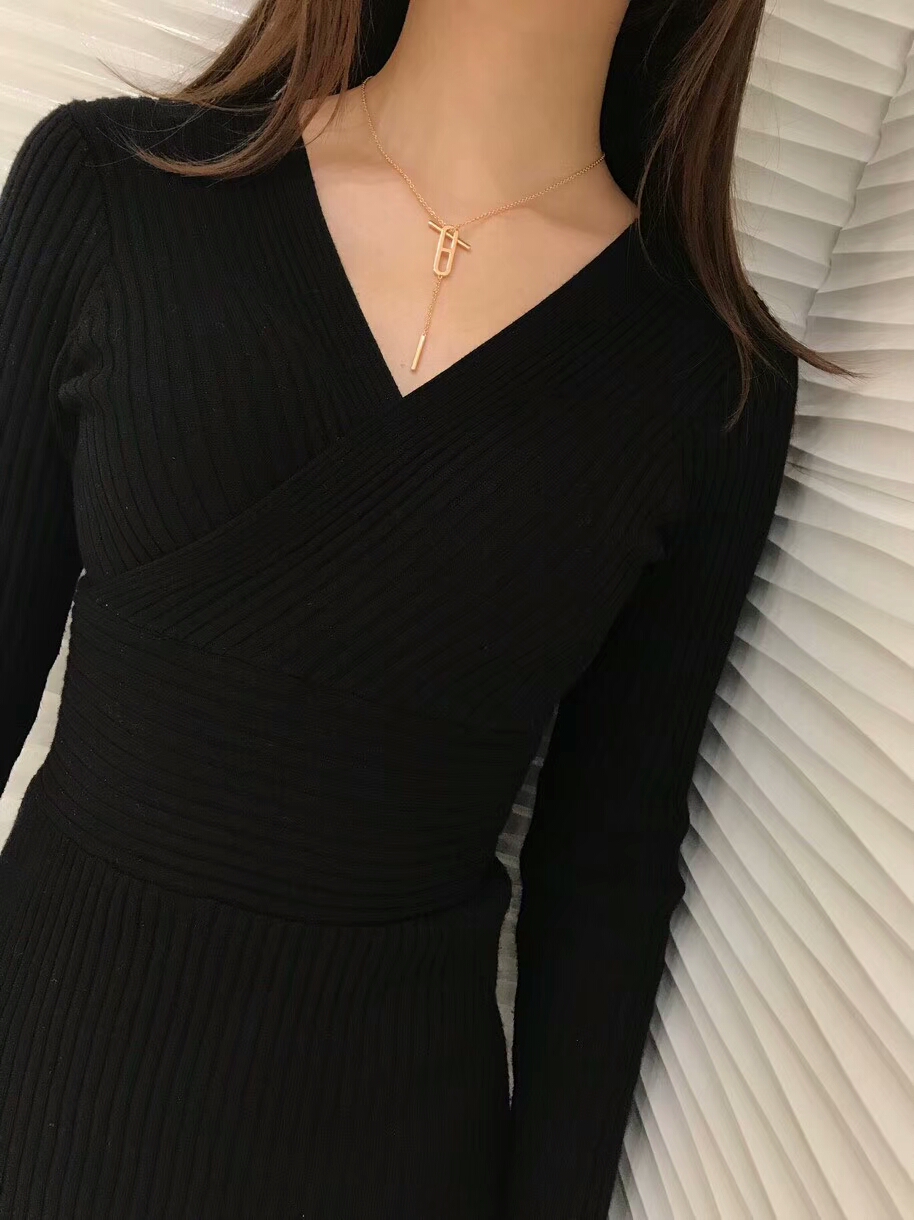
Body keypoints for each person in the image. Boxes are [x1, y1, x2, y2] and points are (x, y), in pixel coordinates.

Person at [0, 1, 854, 1217]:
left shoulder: (707, 384)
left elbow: (605, 872)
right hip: (37, 1094)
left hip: (391, 1153)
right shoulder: (110, 188)